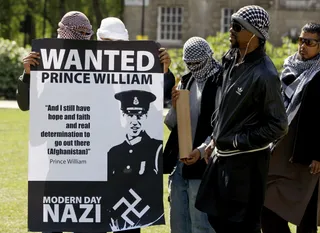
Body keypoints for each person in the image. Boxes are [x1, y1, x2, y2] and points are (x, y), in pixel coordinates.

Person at [195, 5, 288, 233]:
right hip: (221, 158)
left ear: (254, 34)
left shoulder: (265, 74)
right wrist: (215, 140)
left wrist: (237, 140)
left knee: (240, 227)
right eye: (231, 24)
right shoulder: (231, 58)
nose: (230, 29)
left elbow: (279, 125)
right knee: (215, 217)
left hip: (247, 167)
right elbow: (227, 107)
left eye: (237, 26)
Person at [261, 22, 320, 233]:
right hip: (280, 153)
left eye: (309, 42)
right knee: (266, 207)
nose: (302, 46)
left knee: (305, 218)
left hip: (307, 157)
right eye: (301, 40)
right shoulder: (288, 67)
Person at [163, 36, 222, 233]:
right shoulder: (186, 81)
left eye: (197, 63)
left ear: (207, 57)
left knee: (201, 224)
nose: (194, 67)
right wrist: (174, 105)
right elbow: (172, 123)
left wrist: (202, 148)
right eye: (189, 64)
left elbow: (223, 126)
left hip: (206, 163)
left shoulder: (221, 81)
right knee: (179, 222)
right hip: (181, 163)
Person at [107, 90, 163, 231]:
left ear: (146, 116)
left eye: (139, 115)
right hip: (115, 215)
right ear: (123, 116)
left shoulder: (156, 148)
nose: (134, 121)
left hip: (136, 216)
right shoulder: (113, 151)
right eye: (130, 115)